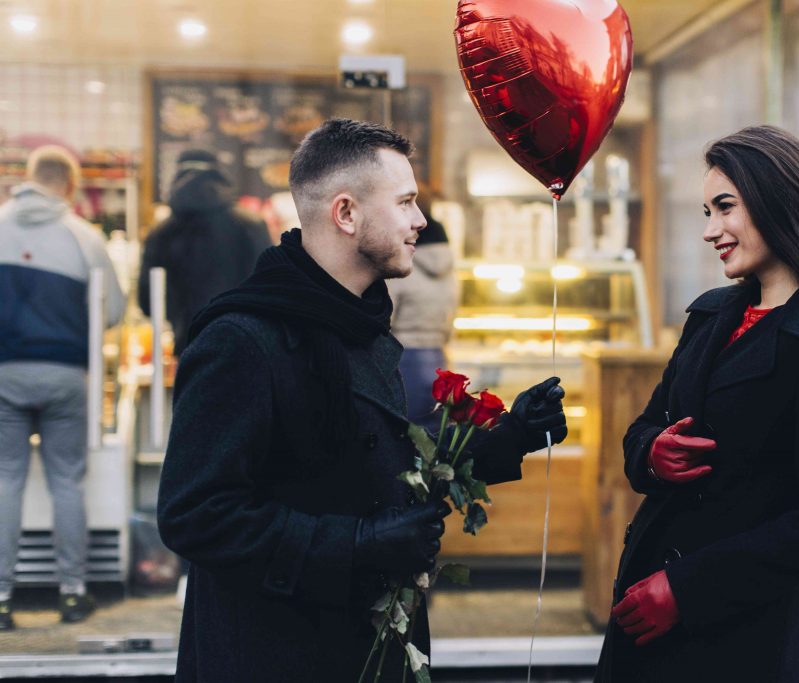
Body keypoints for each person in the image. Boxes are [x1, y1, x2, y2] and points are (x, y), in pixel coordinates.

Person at [156, 118, 567, 682]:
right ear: (346, 213)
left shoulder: (364, 326)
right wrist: (355, 545)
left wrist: (508, 437)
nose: (421, 220)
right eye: (405, 202)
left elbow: (386, 466)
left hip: (361, 649)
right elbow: (195, 515)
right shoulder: (243, 340)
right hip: (275, 653)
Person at [596, 125, 799, 682]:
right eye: (707, 211)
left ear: (777, 198)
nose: (711, 230)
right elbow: (644, 427)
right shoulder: (711, 315)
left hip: (741, 629)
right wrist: (653, 454)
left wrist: (687, 589)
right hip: (644, 597)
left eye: (724, 208)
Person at [0, 145, 126, 629]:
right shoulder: (84, 237)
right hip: (65, 377)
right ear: (70, 186)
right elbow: (111, 312)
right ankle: (73, 595)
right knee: (66, 482)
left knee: (6, 479)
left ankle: (3, 600)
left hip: (5, 374)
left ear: (27, 178)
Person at [138, 149, 271, 356]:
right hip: (248, 347)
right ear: (220, 175)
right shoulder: (250, 225)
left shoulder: (161, 233)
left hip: (189, 348)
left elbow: (148, 302)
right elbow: (270, 291)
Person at [388, 187, 458, 431]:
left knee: (405, 430)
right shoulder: (450, 268)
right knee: (435, 431)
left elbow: (387, 315)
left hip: (404, 357)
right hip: (439, 355)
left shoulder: (402, 266)